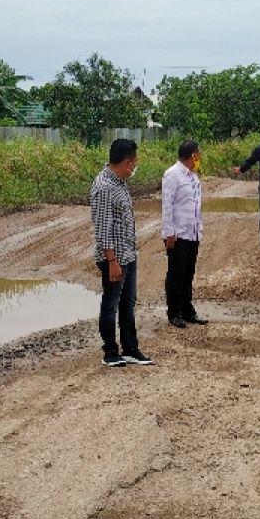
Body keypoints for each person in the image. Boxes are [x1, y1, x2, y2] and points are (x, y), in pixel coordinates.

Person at [89, 138, 153, 367]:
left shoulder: (119, 182)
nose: (135, 167)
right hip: (114, 258)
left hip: (127, 254)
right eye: (134, 162)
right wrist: (112, 261)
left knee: (128, 302)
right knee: (111, 304)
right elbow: (103, 229)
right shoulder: (104, 187)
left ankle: (131, 349)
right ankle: (110, 352)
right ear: (127, 162)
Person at [161, 140, 208, 329]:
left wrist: (199, 229)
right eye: (198, 154)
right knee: (176, 274)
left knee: (188, 273)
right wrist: (169, 232)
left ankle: (187, 309)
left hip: (193, 233)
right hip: (178, 234)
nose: (200, 158)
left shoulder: (193, 177)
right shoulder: (172, 175)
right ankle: (174, 312)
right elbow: (167, 206)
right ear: (192, 155)